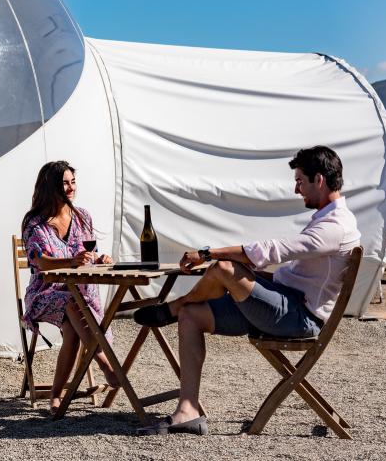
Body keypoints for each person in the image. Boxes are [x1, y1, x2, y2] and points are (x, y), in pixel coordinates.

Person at [134, 146, 361, 435]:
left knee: (223, 268)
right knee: (192, 315)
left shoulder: (335, 227)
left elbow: (278, 249)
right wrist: (256, 275)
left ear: (319, 179)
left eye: (300, 181)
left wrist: (208, 253)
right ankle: (187, 410)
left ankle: (173, 307)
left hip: (298, 317)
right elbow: (295, 271)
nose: (296, 189)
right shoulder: (330, 220)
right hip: (284, 302)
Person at [21, 160, 119, 413]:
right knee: (71, 303)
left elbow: (90, 253)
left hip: (80, 294)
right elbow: (39, 261)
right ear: (50, 186)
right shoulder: (35, 222)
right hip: (45, 293)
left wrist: (100, 258)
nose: (70, 187)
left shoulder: (82, 216)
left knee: (73, 323)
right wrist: (71, 261)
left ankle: (57, 396)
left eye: (73, 181)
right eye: (64, 182)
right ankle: (107, 365)